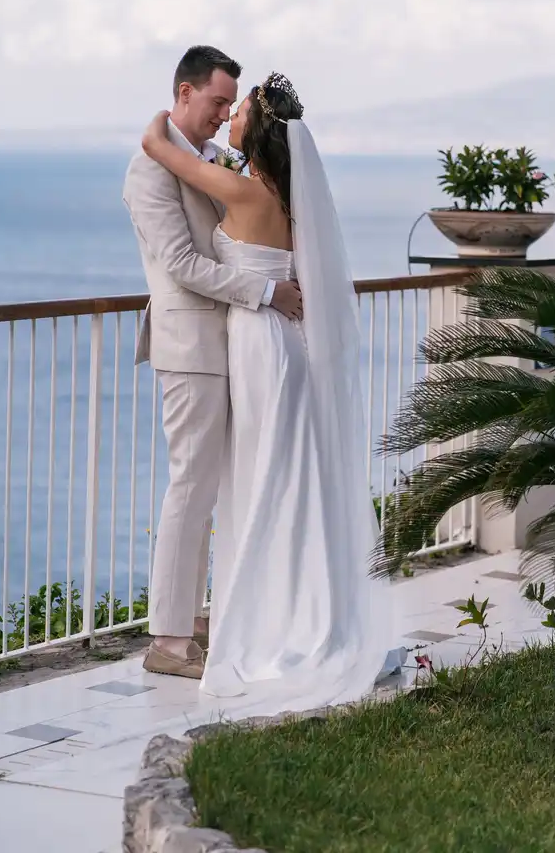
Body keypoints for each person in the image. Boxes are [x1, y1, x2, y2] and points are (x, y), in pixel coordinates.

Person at [140, 71, 396, 717]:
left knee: (262, 482)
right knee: (279, 479)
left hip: (259, 345)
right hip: (279, 347)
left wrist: (157, 125)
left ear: (257, 131)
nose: (228, 118)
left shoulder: (243, 191)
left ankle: (269, 624)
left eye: (238, 111)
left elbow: (162, 152)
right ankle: (289, 611)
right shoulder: (277, 192)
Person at [123, 47, 303, 679]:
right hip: (192, 347)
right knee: (191, 486)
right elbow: (180, 265)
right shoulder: (148, 171)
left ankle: (203, 615)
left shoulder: (213, 160)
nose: (224, 113)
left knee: (224, 487)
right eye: (217, 102)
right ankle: (168, 641)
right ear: (184, 92)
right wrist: (264, 291)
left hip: (238, 344)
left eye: (232, 105)